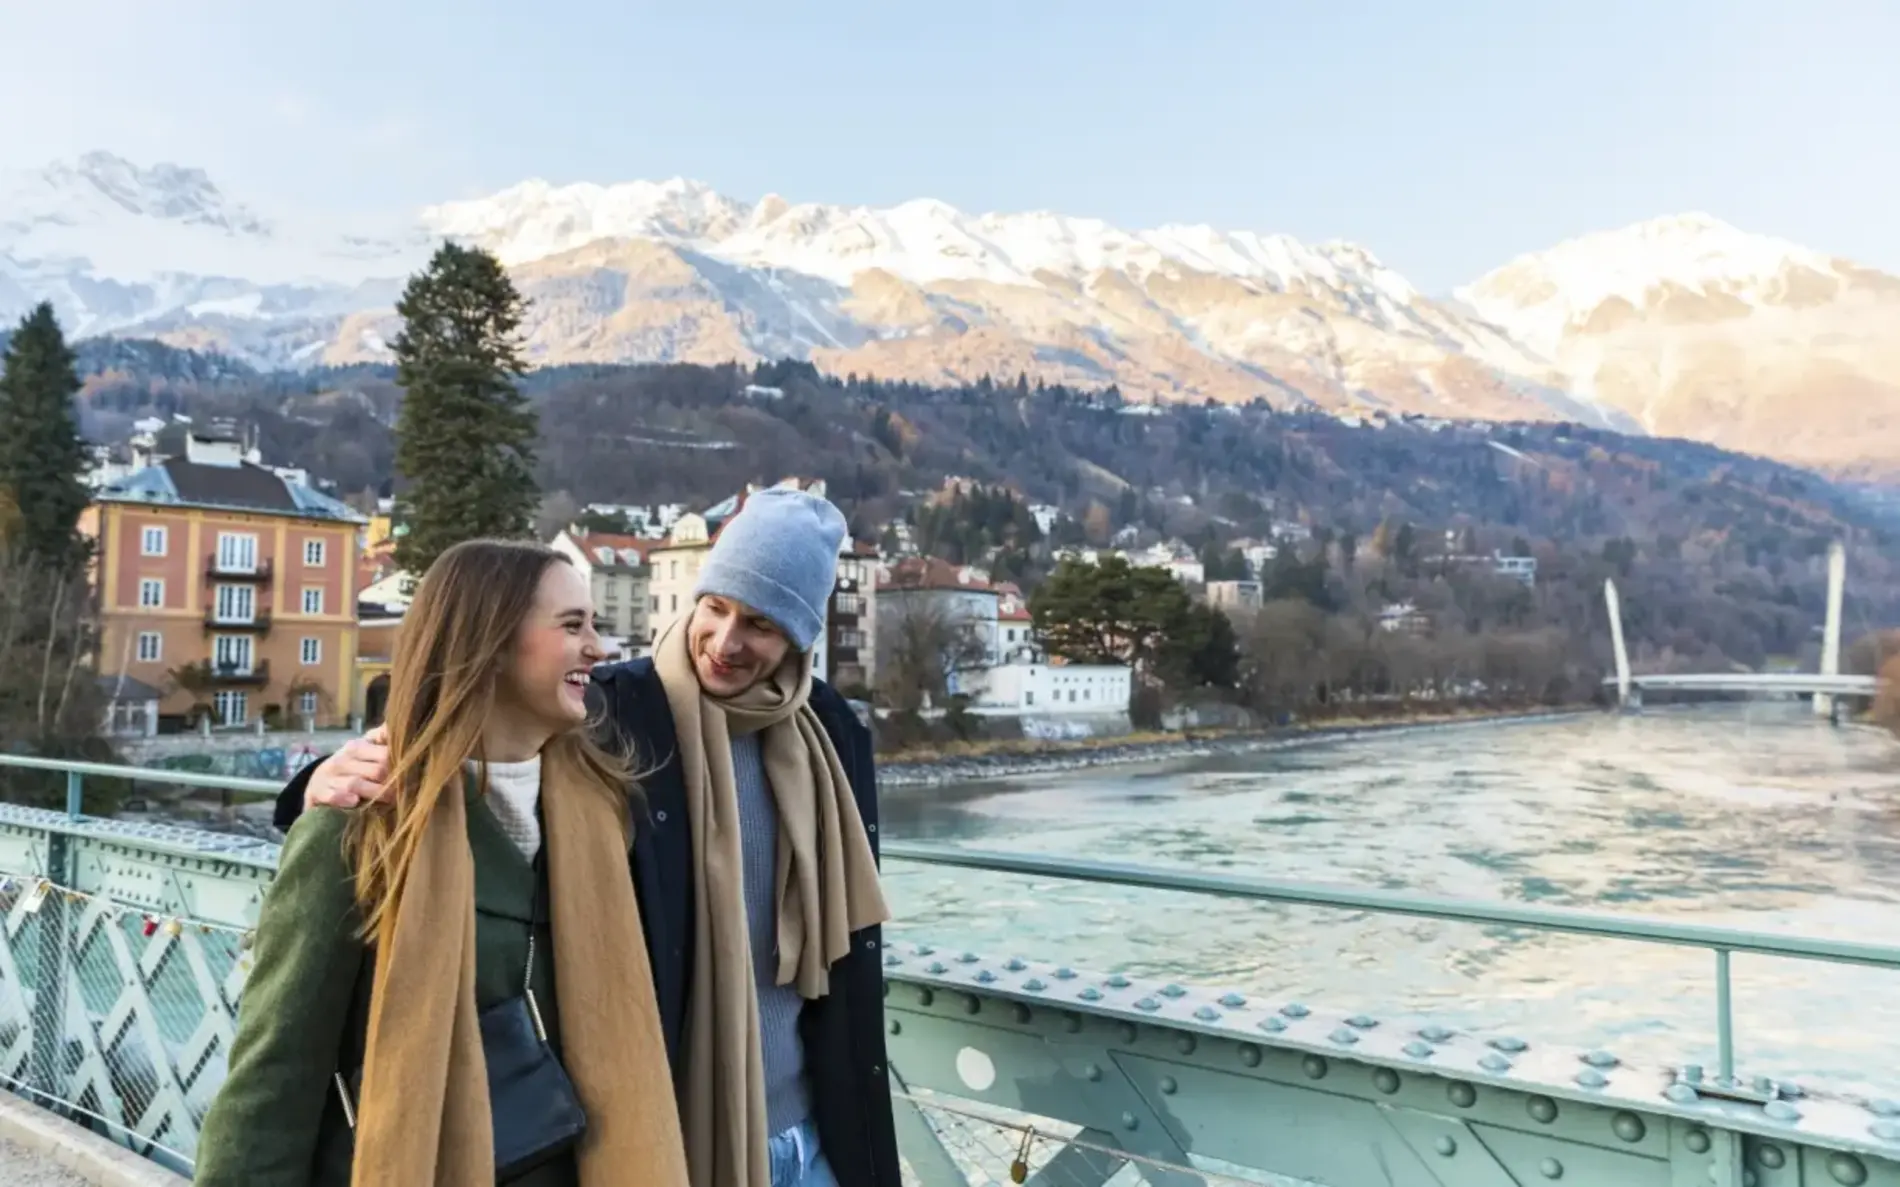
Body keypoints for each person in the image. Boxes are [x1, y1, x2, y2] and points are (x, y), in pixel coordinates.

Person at [277, 488, 899, 1187]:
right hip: (678, 1129)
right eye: (716, 606)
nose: (725, 641)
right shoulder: (612, 708)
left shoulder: (832, 735)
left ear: (798, 634)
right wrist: (315, 785)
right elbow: (459, 739)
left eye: (758, 623)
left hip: (814, 1134)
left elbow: (847, 957)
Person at [195, 540, 689, 1187]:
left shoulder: (608, 822)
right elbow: (272, 1080)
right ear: (490, 642)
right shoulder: (359, 833)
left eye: (593, 624)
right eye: (573, 626)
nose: (599, 648)